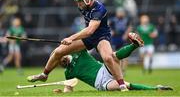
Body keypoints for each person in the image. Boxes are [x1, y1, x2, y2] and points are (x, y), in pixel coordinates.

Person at [27, 0, 136, 91]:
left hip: (101, 36)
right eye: (77, 2)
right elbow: (88, 32)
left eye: (80, 1)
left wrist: (71, 38)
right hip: (88, 37)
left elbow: (90, 30)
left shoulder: (99, 9)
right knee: (58, 51)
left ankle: (122, 85)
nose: (78, 4)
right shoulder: (83, 7)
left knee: (108, 58)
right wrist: (71, 41)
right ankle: (44, 75)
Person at [28, 33, 172, 93]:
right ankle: (156, 88)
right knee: (126, 85)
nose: (61, 62)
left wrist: (70, 41)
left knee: (112, 57)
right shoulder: (68, 73)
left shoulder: (79, 52)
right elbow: (69, 89)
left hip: (103, 70)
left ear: (65, 54)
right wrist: (61, 93)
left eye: (60, 59)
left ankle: (134, 45)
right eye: (59, 62)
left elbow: (83, 40)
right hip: (101, 85)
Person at [109, 7, 132, 75]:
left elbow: (130, 27)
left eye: (122, 12)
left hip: (123, 38)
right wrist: (111, 32)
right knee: (114, 55)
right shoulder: (113, 20)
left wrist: (126, 34)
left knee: (125, 56)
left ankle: (123, 70)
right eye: (120, 12)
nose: (121, 14)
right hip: (115, 39)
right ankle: (116, 70)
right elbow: (107, 27)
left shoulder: (126, 20)